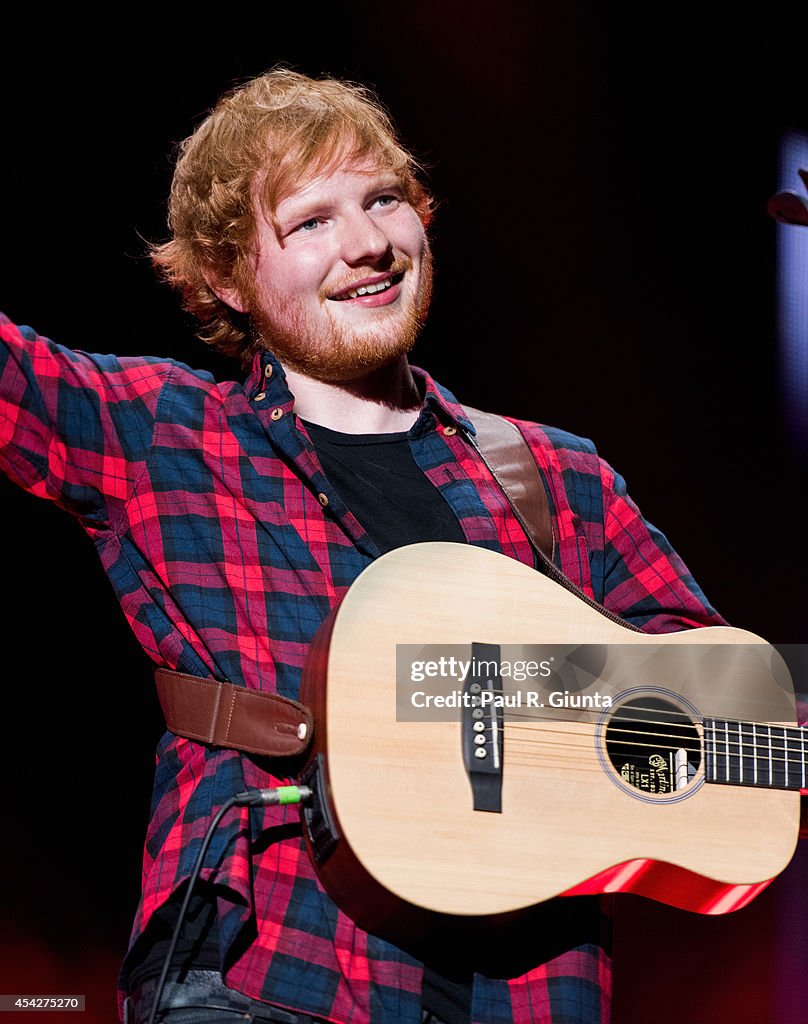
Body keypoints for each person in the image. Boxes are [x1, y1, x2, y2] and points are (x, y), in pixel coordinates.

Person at [0, 68, 726, 1024]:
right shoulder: (161, 433)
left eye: (385, 199)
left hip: (527, 990)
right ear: (227, 277)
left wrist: (508, 712)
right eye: (310, 222)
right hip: (264, 969)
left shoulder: (556, 478)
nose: (370, 244)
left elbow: (729, 723)